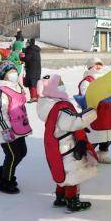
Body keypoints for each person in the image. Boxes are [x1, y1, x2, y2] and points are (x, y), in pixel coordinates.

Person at [37, 74, 99, 213]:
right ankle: (72, 201)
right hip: (67, 146)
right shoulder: (60, 109)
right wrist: (92, 112)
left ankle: (60, 197)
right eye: (59, 84)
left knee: (62, 173)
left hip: (59, 145)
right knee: (72, 175)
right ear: (53, 88)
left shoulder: (49, 105)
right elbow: (73, 122)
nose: (62, 85)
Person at [0, 61, 32, 194]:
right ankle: (6, 182)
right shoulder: (0, 92)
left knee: (22, 152)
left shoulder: (16, 86)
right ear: (2, 75)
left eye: (14, 70)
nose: (13, 73)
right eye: (9, 72)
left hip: (18, 127)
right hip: (6, 130)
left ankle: (4, 172)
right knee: (13, 155)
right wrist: (6, 130)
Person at [78, 57, 111, 164]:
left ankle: (102, 155)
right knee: (93, 136)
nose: (99, 67)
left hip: (107, 112)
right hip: (94, 113)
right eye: (96, 64)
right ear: (90, 66)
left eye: (100, 64)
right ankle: (87, 157)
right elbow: (86, 96)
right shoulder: (87, 81)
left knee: (107, 136)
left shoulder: (104, 79)